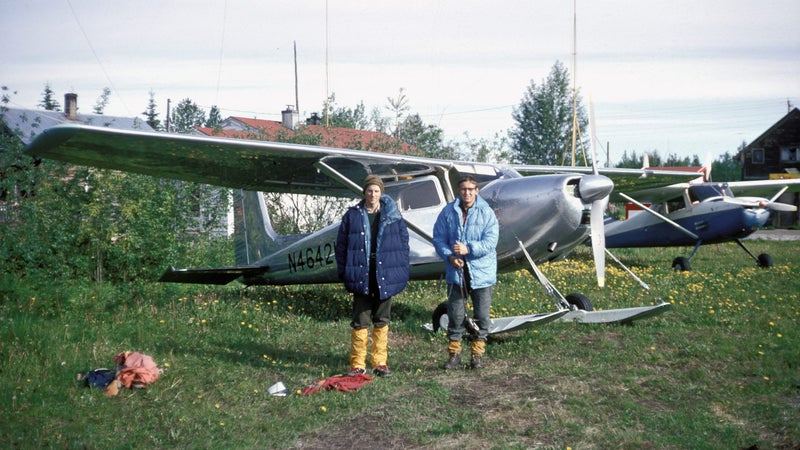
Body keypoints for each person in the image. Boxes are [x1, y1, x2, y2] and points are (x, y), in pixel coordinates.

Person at [335, 175, 410, 377]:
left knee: (382, 318)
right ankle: (358, 364)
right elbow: (341, 246)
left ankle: (379, 363)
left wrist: (400, 271)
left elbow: (403, 246)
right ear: (364, 192)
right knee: (360, 319)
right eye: (369, 190)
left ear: (381, 193)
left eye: (376, 191)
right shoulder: (352, 215)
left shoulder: (393, 216)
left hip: (384, 272)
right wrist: (345, 272)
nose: (373, 194)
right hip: (361, 272)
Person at [433, 175, 499, 370]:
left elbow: (490, 242)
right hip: (457, 273)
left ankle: (477, 355)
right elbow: (438, 238)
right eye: (463, 189)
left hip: (482, 274)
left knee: (482, 316)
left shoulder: (486, 213)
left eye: (471, 189)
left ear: (477, 191)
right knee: (455, 315)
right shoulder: (448, 212)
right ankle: (454, 355)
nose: (467, 193)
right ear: (458, 191)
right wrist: (450, 257)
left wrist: (467, 249)